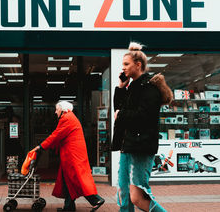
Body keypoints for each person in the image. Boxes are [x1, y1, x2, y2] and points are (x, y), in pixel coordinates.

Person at [112, 42, 173, 212]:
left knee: (138, 197)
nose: (123, 68)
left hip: (141, 146)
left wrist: (121, 114)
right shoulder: (132, 86)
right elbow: (119, 110)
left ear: (138, 65)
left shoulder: (149, 88)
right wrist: (121, 88)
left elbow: (143, 117)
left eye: (126, 64)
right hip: (128, 145)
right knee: (123, 194)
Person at [34, 101, 105, 211]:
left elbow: (56, 135)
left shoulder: (66, 118)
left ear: (62, 110)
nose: (55, 112)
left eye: (57, 109)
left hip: (72, 155)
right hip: (72, 153)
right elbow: (60, 136)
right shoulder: (70, 117)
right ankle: (69, 207)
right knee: (68, 179)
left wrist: (41, 146)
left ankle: (96, 199)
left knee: (75, 178)